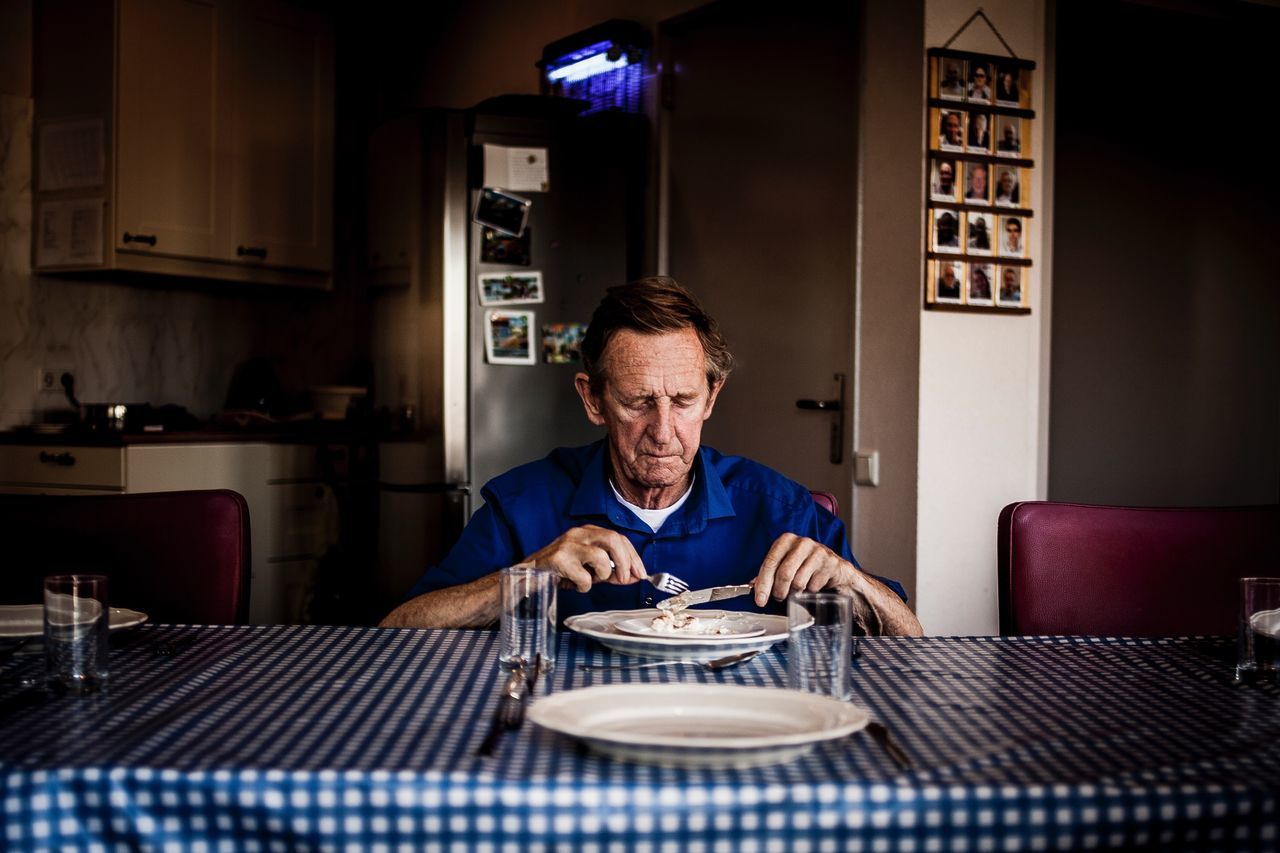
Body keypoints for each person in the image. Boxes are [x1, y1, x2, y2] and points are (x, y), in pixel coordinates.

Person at [381, 277, 922, 636]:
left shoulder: (777, 504)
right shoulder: (525, 502)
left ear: (712, 396)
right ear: (593, 399)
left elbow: (911, 636)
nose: (663, 431)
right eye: (638, 402)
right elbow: (397, 630)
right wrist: (527, 575)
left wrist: (848, 580)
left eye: (684, 401)